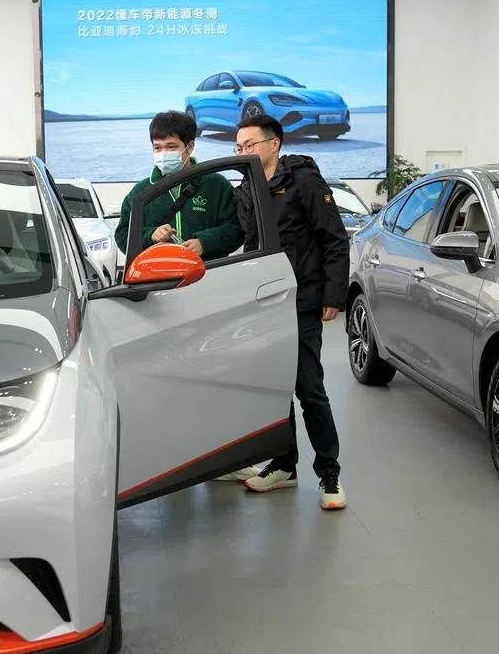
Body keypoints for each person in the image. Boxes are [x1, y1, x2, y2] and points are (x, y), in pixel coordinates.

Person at [232, 115, 350, 510]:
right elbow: (245, 241)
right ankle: (284, 465)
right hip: (262, 302)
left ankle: (329, 474)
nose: (243, 152)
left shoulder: (303, 181)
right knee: (274, 387)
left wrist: (332, 296)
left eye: (249, 145)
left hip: (300, 301)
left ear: (273, 144)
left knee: (308, 387)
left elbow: (334, 239)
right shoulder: (246, 188)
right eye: (239, 147)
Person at [114, 110, 243, 262]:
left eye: (171, 147)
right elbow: (123, 235)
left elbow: (237, 228)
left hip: (209, 274)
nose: (163, 153)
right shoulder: (141, 191)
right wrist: (150, 235)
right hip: (159, 279)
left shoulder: (216, 184)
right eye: (157, 148)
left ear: (189, 147)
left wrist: (205, 243)